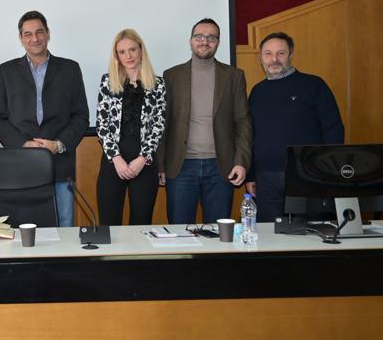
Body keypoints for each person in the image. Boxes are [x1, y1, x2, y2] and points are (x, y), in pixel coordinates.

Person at [0, 11, 89, 227]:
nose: (34, 38)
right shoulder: (6, 71)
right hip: (21, 163)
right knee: (24, 225)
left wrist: (59, 144)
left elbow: (81, 116)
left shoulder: (70, 69)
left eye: (39, 32)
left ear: (48, 34)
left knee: (64, 224)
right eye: (28, 34)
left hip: (60, 164)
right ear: (21, 38)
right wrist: (23, 144)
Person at [158, 18, 252, 224]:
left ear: (218, 42)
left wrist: (241, 162)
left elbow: (242, 122)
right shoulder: (171, 76)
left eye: (211, 37)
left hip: (221, 167)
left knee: (218, 234)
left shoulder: (234, 76)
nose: (204, 41)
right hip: (180, 168)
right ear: (190, 41)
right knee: (180, 234)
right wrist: (160, 165)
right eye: (199, 36)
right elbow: (163, 124)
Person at [247, 32, 344, 221]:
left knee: (311, 234)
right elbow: (250, 135)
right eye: (268, 53)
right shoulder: (257, 92)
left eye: (280, 53)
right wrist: (251, 174)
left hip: (308, 175)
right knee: (269, 236)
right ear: (260, 57)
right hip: (265, 178)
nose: (274, 59)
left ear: (291, 54)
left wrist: (327, 169)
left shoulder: (314, 85)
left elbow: (333, 129)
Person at [95, 29, 166, 225]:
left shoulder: (158, 84)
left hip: (144, 163)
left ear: (141, 51)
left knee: (141, 225)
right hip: (113, 162)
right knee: (109, 224)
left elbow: (158, 125)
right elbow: (102, 124)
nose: (129, 56)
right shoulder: (107, 82)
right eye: (122, 51)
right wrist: (116, 159)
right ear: (116, 56)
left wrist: (142, 159)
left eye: (132, 49)